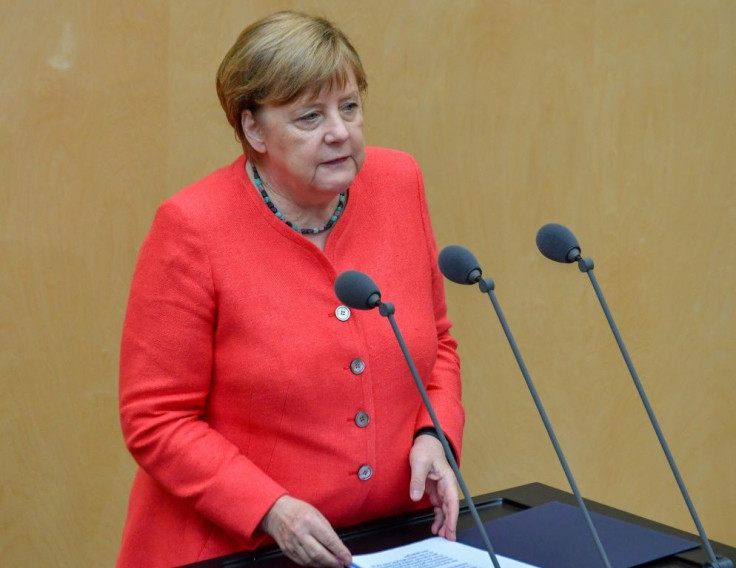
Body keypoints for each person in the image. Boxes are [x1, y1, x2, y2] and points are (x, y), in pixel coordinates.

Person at [117, 11, 465, 568]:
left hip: (389, 543)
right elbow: (156, 418)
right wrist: (271, 507)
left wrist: (435, 436)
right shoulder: (192, 228)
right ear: (253, 128)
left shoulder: (399, 184)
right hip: (237, 550)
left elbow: (437, 345)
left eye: (349, 108)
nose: (339, 132)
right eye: (309, 117)